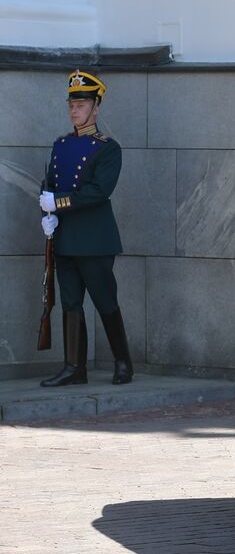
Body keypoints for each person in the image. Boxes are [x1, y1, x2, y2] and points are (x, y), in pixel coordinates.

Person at [37, 70, 132, 386]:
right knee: (70, 304)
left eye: (81, 104)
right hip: (64, 239)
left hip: (94, 240)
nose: (74, 110)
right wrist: (47, 214)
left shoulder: (108, 148)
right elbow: (50, 183)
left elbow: (98, 191)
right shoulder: (60, 145)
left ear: (96, 107)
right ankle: (74, 367)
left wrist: (57, 204)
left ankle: (122, 362)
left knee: (105, 300)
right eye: (71, 104)